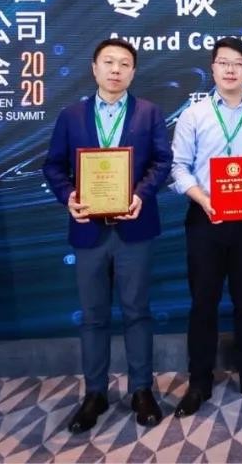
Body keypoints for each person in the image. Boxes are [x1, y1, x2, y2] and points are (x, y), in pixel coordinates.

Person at [42, 38, 173, 433]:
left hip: (135, 229)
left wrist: (140, 195)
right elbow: (53, 166)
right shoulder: (71, 115)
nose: (116, 69)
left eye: (124, 63)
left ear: (133, 71)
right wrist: (69, 197)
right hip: (89, 231)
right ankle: (95, 393)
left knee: (137, 312)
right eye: (109, 62)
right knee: (93, 317)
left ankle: (141, 390)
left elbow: (162, 161)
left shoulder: (149, 113)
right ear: (94, 68)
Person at [170, 37, 242, 417]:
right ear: (213, 68)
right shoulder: (194, 115)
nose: (230, 69)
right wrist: (203, 199)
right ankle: (199, 381)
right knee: (203, 302)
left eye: (238, 63)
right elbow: (179, 167)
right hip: (205, 218)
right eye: (223, 62)